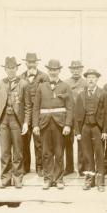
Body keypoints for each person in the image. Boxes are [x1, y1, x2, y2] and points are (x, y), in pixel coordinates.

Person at [32, 59, 73, 190]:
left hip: (60, 124)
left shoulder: (65, 86)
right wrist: (35, 125)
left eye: (55, 70)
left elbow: (70, 107)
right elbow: (35, 108)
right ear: (48, 70)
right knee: (46, 153)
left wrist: (67, 124)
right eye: (50, 69)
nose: (53, 72)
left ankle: (59, 179)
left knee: (59, 152)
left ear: (59, 70)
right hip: (44, 124)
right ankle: (48, 179)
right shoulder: (41, 86)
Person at [0, 56, 31, 189]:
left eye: (13, 68)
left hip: (16, 120)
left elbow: (27, 106)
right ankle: (5, 178)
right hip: (3, 121)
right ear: (5, 69)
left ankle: (18, 178)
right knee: (5, 152)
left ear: (17, 68)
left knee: (18, 151)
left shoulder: (24, 83)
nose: (10, 71)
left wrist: (26, 122)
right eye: (8, 68)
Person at [74, 69, 107, 192]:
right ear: (86, 80)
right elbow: (76, 115)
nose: (91, 80)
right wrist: (77, 132)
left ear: (97, 79)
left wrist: (105, 131)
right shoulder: (81, 95)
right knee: (87, 155)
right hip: (85, 128)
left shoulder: (102, 94)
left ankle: (100, 182)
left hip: (97, 128)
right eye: (89, 78)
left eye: (93, 77)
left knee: (99, 155)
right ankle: (89, 180)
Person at [19, 52, 47, 176]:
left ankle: (40, 166)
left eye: (33, 62)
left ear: (37, 63)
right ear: (26, 63)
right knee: (24, 142)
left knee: (39, 142)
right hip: (25, 115)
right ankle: (25, 167)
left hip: (38, 115)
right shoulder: (20, 77)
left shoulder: (44, 77)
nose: (31, 64)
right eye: (29, 62)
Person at [65, 60, 87, 175]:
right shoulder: (65, 83)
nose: (76, 71)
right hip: (68, 116)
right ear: (70, 70)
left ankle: (82, 168)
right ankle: (69, 167)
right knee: (68, 142)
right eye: (73, 69)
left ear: (81, 70)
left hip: (81, 117)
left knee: (81, 142)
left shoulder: (86, 83)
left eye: (78, 69)